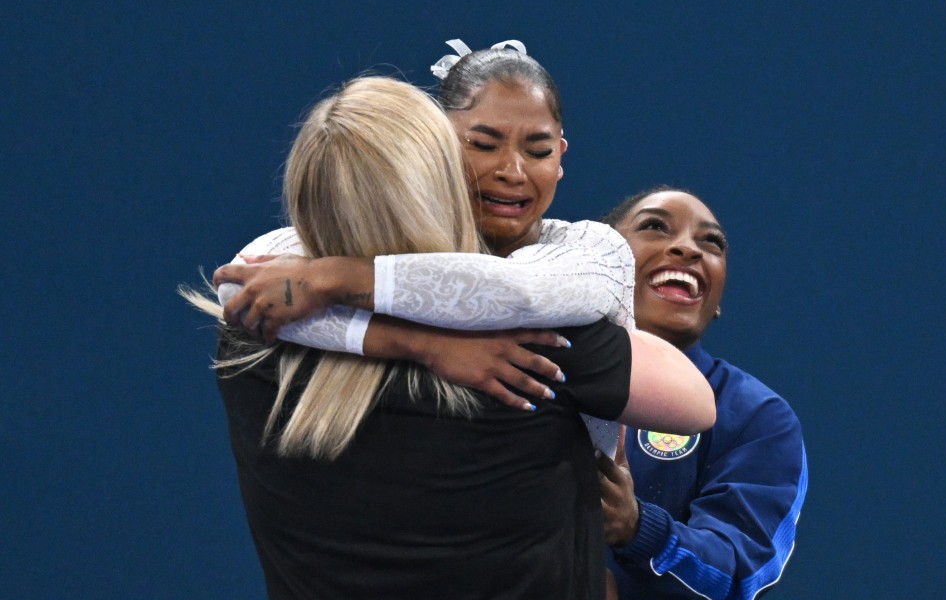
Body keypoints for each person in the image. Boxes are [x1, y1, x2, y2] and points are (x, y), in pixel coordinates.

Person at [185, 77, 716, 600]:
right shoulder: (533, 351)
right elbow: (693, 401)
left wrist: (400, 334)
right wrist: (432, 339)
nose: (507, 171)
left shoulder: (251, 337)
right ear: (440, 180)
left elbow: (251, 272)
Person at [213, 40, 636, 425]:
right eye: (483, 146)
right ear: (435, 148)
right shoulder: (393, 248)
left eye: (538, 151)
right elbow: (238, 286)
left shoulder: (594, 249)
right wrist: (423, 345)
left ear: (560, 155)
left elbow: (517, 293)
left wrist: (332, 279)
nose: (513, 171)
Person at [597, 187, 808, 600]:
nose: (689, 248)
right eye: (655, 226)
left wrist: (635, 527)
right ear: (599, 257)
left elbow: (738, 579)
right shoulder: (526, 364)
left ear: (717, 299)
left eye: (711, 243)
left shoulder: (755, 416)